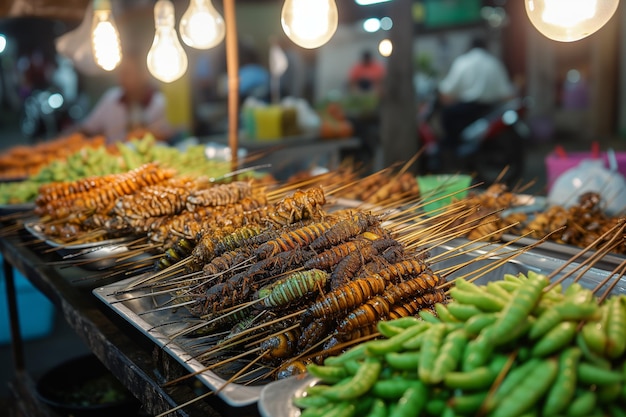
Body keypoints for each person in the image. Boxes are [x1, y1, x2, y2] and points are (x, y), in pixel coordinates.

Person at [437, 36, 516, 159]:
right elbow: (506, 92)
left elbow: (448, 89)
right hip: (489, 109)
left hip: (468, 108)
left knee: (447, 114)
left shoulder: (463, 62)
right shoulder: (493, 62)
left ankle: (453, 150)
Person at [78, 50, 178, 145]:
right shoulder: (111, 98)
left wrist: (146, 134)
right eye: (121, 72)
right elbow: (87, 129)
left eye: (128, 73)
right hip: (112, 156)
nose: (122, 77)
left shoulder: (159, 103)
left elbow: (168, 135)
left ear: (144, 75)